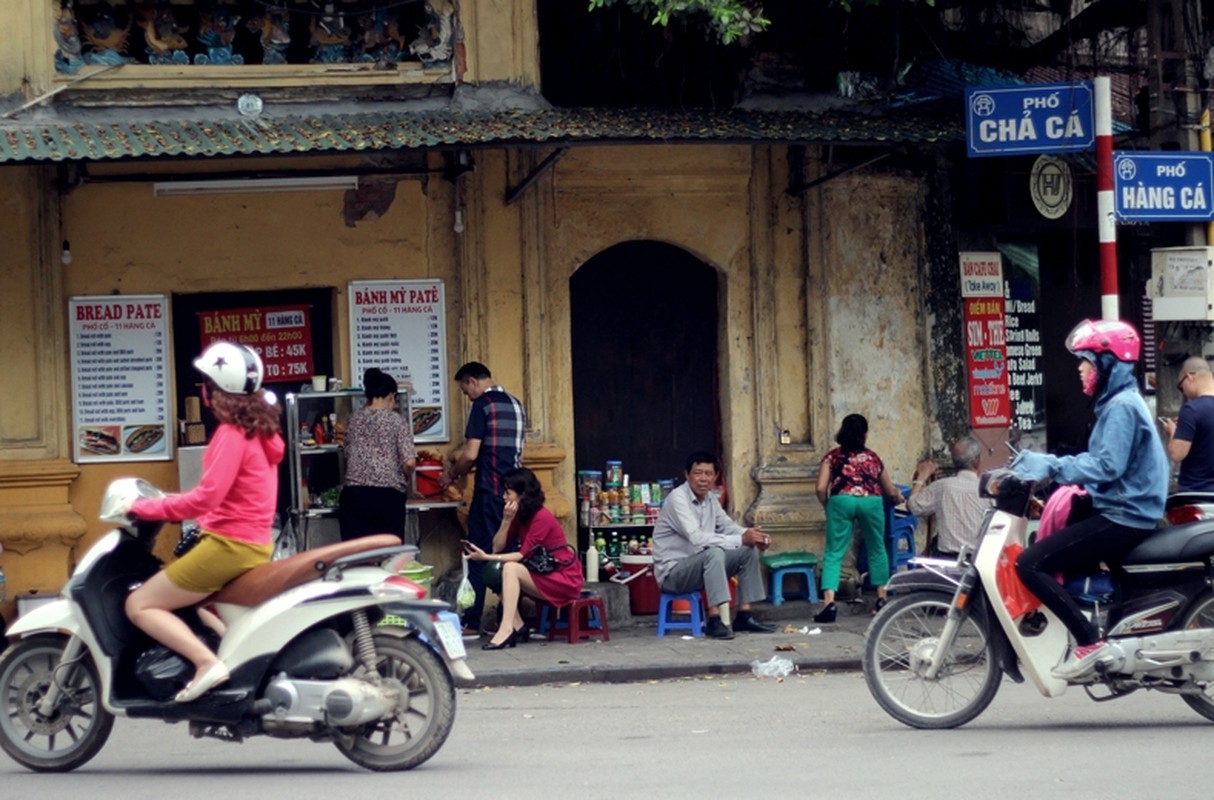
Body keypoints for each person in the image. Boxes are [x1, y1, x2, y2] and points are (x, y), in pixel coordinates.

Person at [126, 342, 285, 703]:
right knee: (188, 602)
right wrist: (166, 500)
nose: (203, 391)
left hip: (229, 547)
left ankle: (205, 663)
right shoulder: (261, 433)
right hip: (252, 543)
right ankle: (228, 659)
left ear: (213, 392)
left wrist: (145, 507)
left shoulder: (231, 435)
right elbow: (223, 498)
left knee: (140, 605)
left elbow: (204, 499)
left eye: (205, 385)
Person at [1011, 319, 1167, 681]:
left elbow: (1106, 466)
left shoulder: (1122, 408)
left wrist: (1048, 464)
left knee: (1031, 563)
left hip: (1125, 517)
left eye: (1087, 361)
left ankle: (1088, 642)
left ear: (1109, 364)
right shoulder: (1121, 403)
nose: (1080, 369)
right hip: (1125, 511)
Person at [439, 361, 526, 636]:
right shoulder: (515, 404)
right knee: (509, 557)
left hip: (489, 490)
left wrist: (451, 475)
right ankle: (510, 619)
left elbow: (470, 454)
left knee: (477, 553)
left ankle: (473, 621)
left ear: (473, 381)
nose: (467, 396)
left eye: (465, 390)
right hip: (514, 492)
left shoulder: (481, 406)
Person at [652, 451, 775, 640]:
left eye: (708, 474)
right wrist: (740, 539)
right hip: (674, 573)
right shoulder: (677, 499)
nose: (703, 479)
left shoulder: (710, 499)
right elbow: (697, 538)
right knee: (714, 552)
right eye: (698, 473)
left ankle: (744, 614)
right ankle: (715, 619)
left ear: (715, 476)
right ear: (687, 475)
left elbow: (727, 527)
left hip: (700, 567)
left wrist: (752, 536)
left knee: (746, 551)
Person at [462, 467, 583, 650]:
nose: (504, 497)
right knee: (492, 571)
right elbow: (498, 546)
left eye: (508, 493)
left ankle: (506, 628)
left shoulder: (541, 517)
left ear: (523, 495)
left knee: (510, 568)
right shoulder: (520, 516)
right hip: (541, 573)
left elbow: (521, 555)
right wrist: (506, 521)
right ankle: (518, 626)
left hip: (562, 577)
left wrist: (484, 556)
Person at [814, 414, 905, 623]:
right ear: (865, 434)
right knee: (877, 549)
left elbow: (820, 487)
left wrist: (827, 504)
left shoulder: (832, 457)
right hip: (870, 502)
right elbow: (890, 490)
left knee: (834, 552)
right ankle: (881, 598)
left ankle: (829, 604)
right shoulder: (873, 458)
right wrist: (898, 497)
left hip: (841, 500)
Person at [339, 367, 416, 541]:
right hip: (387, 499)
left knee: (357, 557)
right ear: (392, 396)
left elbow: (347, 455)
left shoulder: (353, 419)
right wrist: (408, 479)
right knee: (388, 557)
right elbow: (409, 462)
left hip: (354, 497)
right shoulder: (396, 421)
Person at [906, 436, 992, 559]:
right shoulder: (987, 489)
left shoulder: (942, 486)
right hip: (979, 558)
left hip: (947, 559)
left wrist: (921, 477)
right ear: (977, 461)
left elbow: (913, 506)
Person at [1161, 356, 1214, 493]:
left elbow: (1177, 454)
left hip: (1197, 493)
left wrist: (1173, 432)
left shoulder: (1191, 409)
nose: (1183, 391)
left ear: (1189, 377)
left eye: (1180, 386)